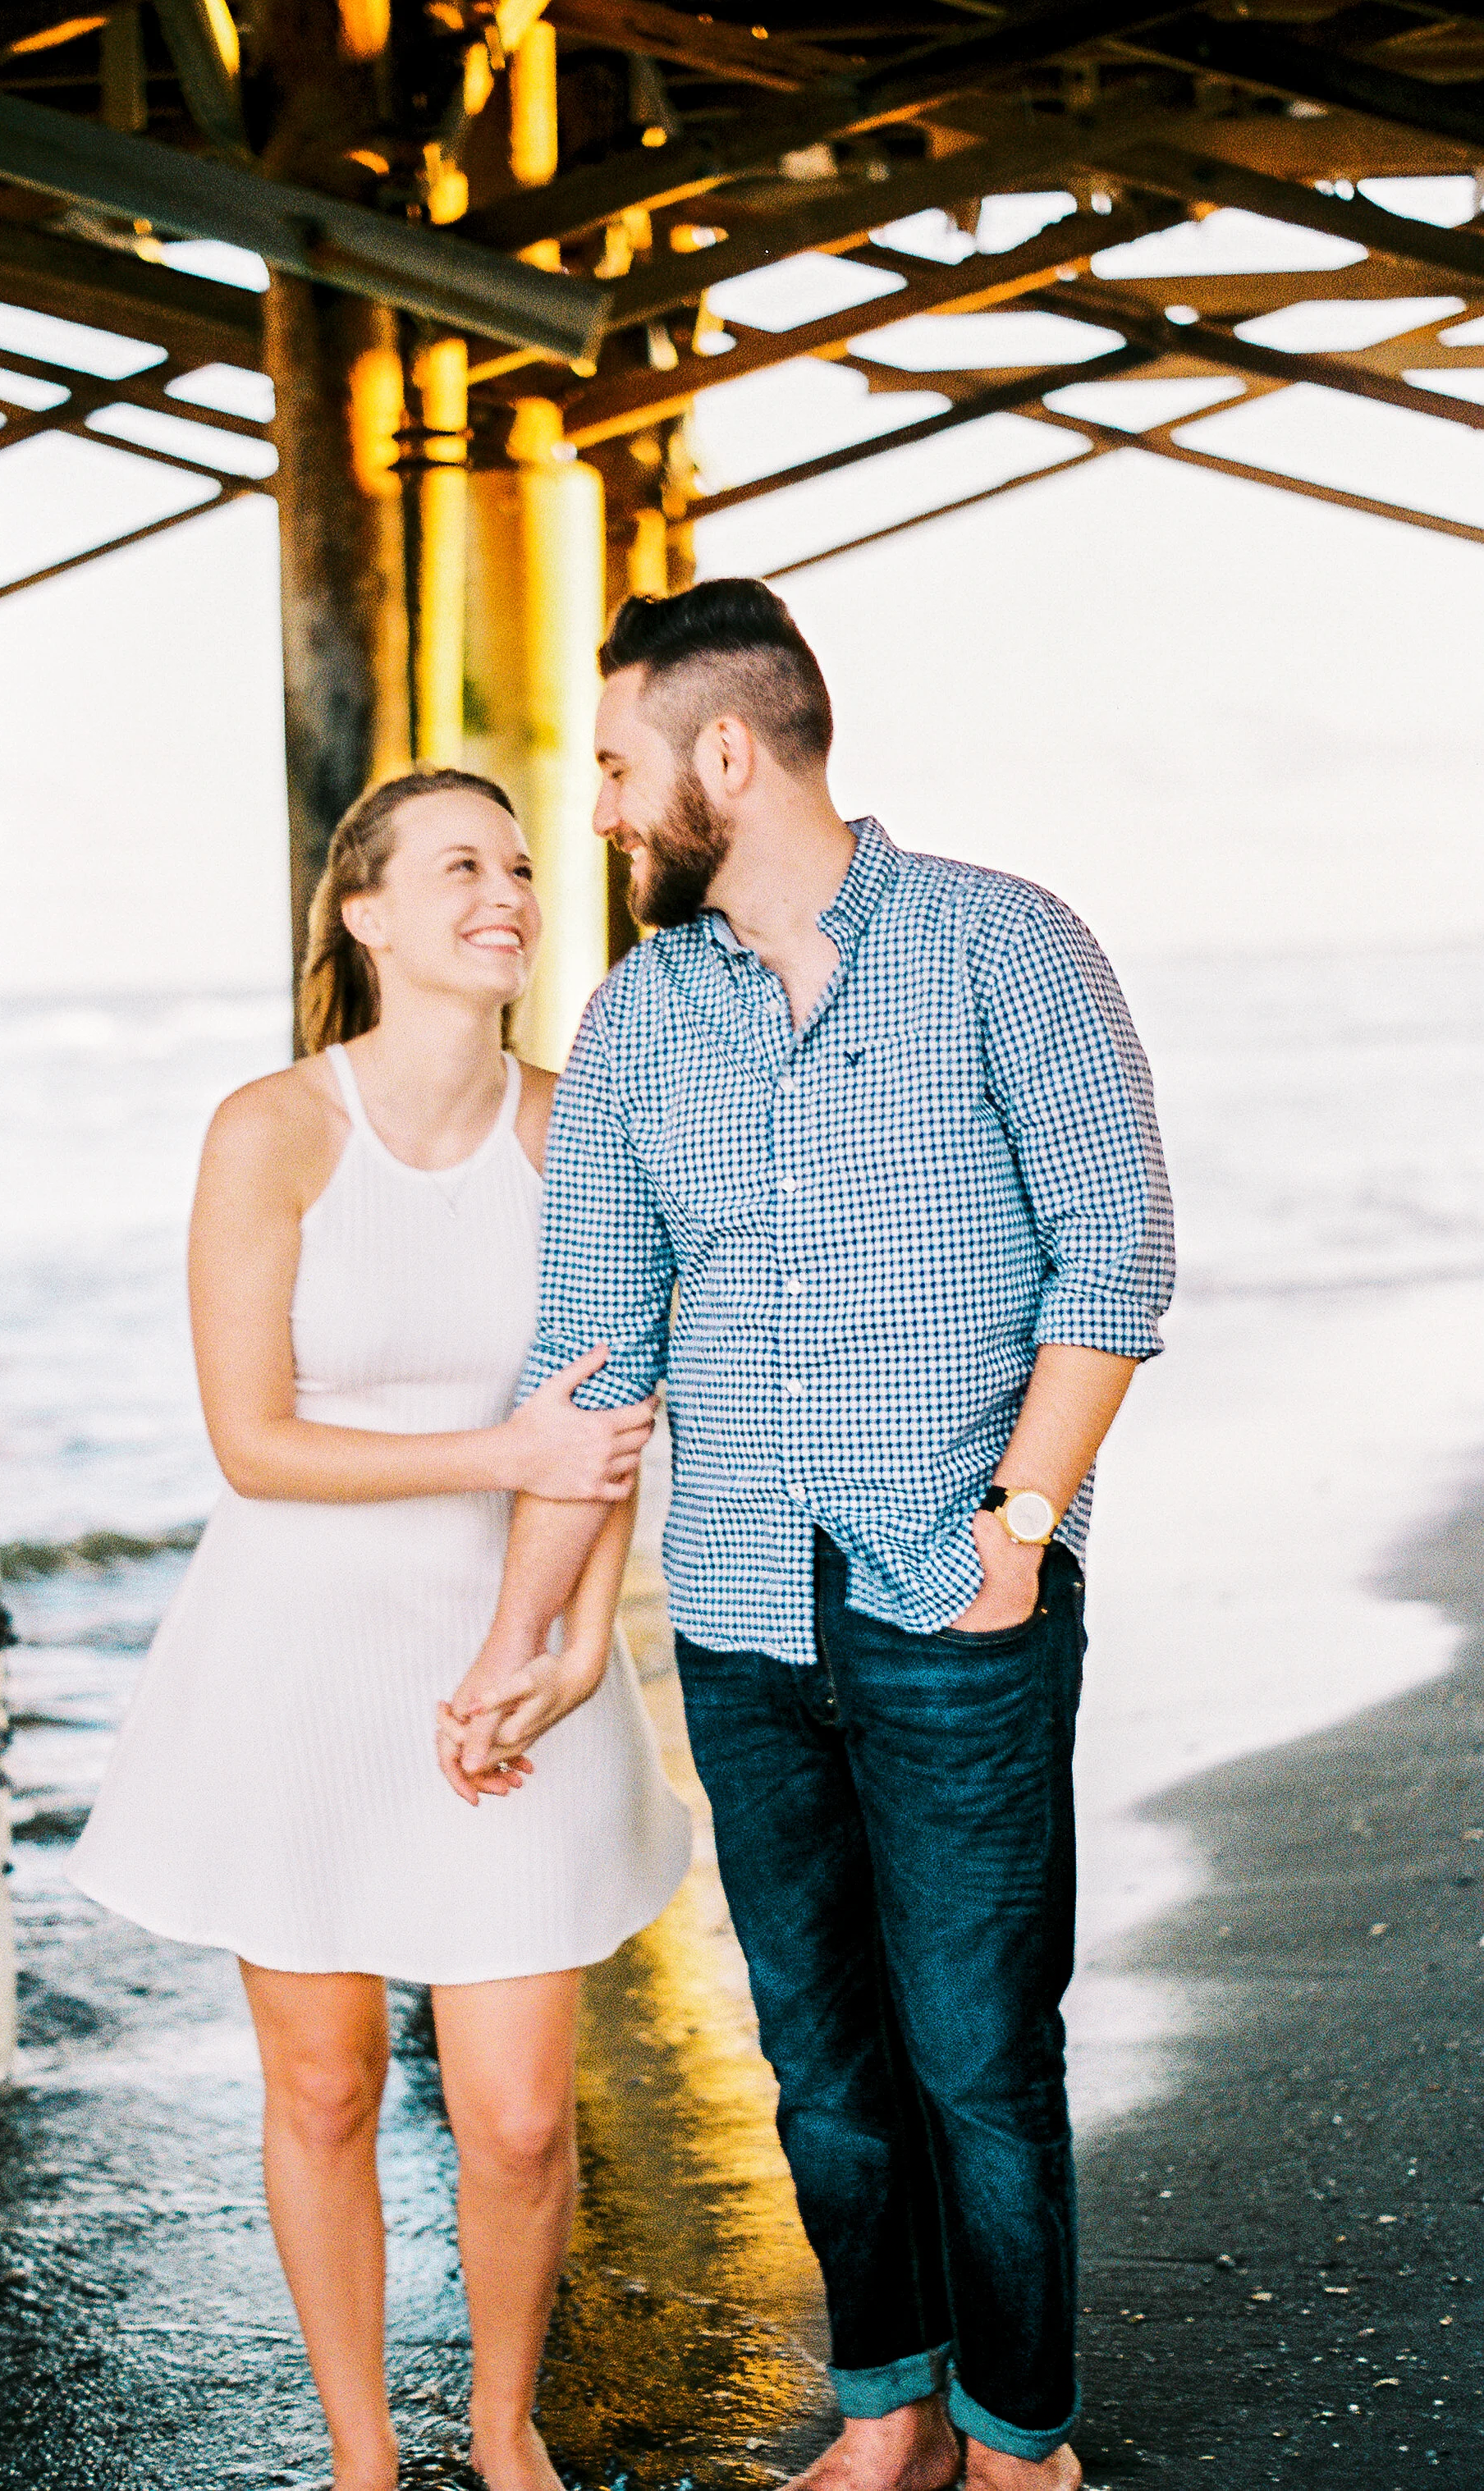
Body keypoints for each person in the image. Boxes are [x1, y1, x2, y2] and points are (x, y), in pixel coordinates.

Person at [439, 583, 1175, 2491]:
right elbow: (590, 1351)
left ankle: (1026, 2443)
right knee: (824, 2059)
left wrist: (1022, 1522)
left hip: (959, 1591)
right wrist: (531, 1637)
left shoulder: (1007, 945)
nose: (598, 808)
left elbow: (1117, 1256)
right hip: (751, 1615)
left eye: (614, 765)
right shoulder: (637, 1016)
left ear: (726, 754)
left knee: (980, 2058)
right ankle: (892, 2414)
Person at [70, 767, 691, 2491]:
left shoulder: (579, 1127)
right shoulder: (269, 1129)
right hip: (297, 1657)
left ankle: (503, 2434)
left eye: (518, 863)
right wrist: (498, 1450)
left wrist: (569, 1641)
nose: (508, 890)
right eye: (462, 865)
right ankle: (363, 2457)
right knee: (329, 2084)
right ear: (367, 914)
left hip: (514, 1654)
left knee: (516, 2112)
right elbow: (250, 1438)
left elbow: (606, 1404)